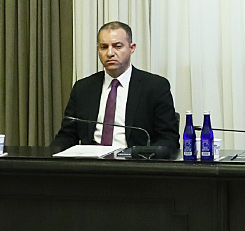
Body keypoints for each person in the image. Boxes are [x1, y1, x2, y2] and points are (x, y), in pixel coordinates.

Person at [50, 21, 178, 156]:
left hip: (135, 162)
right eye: (104, 47)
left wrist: (146, 155)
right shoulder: (83, 88)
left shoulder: (155, 87)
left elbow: (168, 138)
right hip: (90, 162)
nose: (110, 53)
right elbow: (67, 135)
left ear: (131, 48)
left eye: (117, 46)